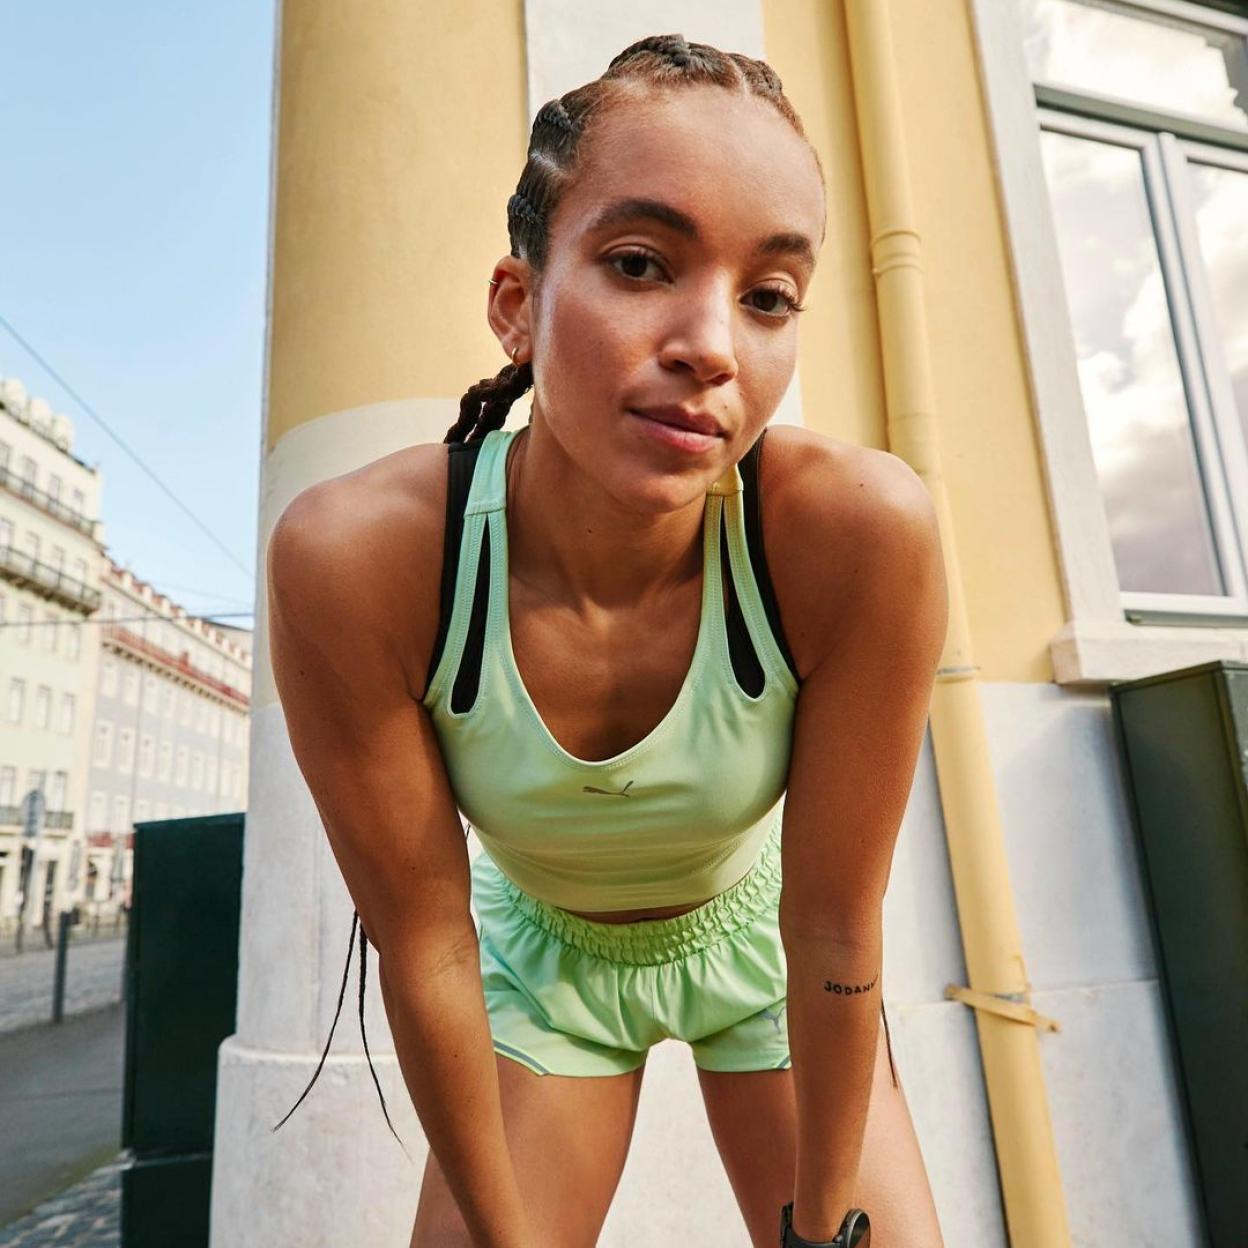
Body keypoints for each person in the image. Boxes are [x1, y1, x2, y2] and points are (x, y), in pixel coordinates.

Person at [266, 32, 948, 1248]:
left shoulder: (857, 534)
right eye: (641, 263)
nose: (713, 345)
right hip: (544, 970)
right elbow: (426, 944)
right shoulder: (358, 560)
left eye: (770, 296)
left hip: (768, 953)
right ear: (518, 305)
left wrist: (823, 1225)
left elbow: (836, 923)